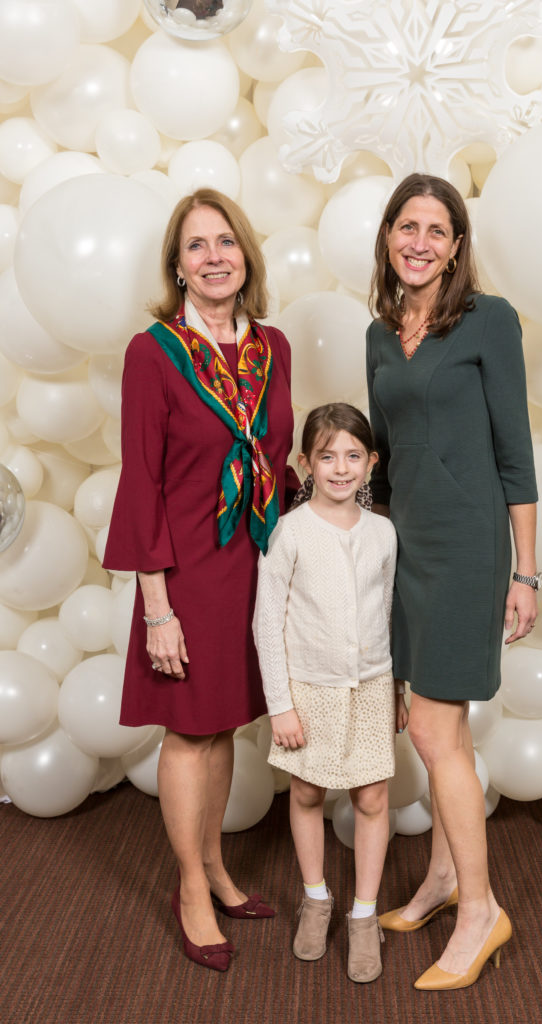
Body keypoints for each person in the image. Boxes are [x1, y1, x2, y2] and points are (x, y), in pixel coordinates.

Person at [103, 188, 297, 972]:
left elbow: (276, 460)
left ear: (244, 255)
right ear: (176, 267)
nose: (214, 256)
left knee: (222, 727)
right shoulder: (153, 352)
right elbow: (140, 480)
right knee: (188, 732)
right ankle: (190, 886)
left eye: (226, 242)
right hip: (183, 573)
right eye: (196, 246)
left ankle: (216, 866)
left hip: (253, 565)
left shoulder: (271, 347)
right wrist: (157, 610)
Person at [365, 173, 539, 991]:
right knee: (440, 732)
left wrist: (525, 570)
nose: (420, 242)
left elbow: (515, 452)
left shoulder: (488, 321)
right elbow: (388, 461)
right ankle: (439, 881)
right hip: (407, 549)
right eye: (408, 225)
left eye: (437, 229)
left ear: (457, 246)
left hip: (469, 549)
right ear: (389, 235)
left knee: (434, 731)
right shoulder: (377, 334)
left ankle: (480, 912)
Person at [253, 403, 408, 983]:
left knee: (371, 799)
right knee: (308, 792)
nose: (340, 469)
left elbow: (389, 612)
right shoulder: (289, 532)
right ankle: (315, 898)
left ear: (370, 462)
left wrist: (395, 686)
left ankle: (363, 914)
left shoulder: (383, 533)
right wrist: (281, 704)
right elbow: (267, 622)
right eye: (327, 457)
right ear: (305, 464)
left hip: (370, 684)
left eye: (352, 456)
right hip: (307, 689)